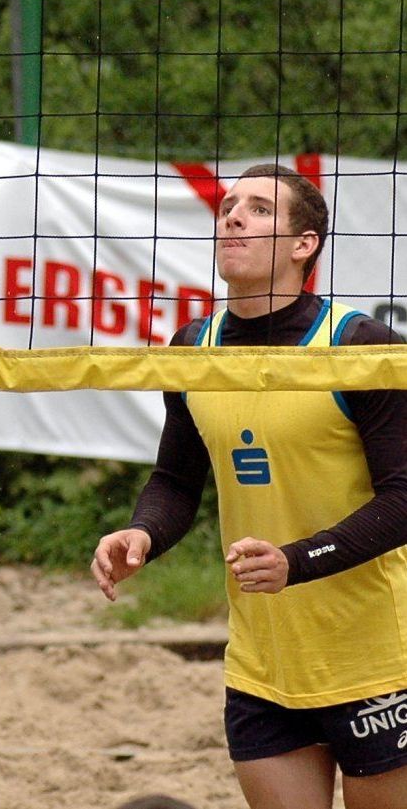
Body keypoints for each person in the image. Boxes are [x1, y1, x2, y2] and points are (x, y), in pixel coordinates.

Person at [92, 163, 407, 809]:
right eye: (229, 205)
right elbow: (176, 478)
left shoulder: (359, 345)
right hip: (263, 661)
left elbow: (405, 498)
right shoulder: (194, 347)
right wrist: (143, 531)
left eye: (260, 208)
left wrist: (297, 560)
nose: (233, 215)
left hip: (376, 656)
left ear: (303, 244)